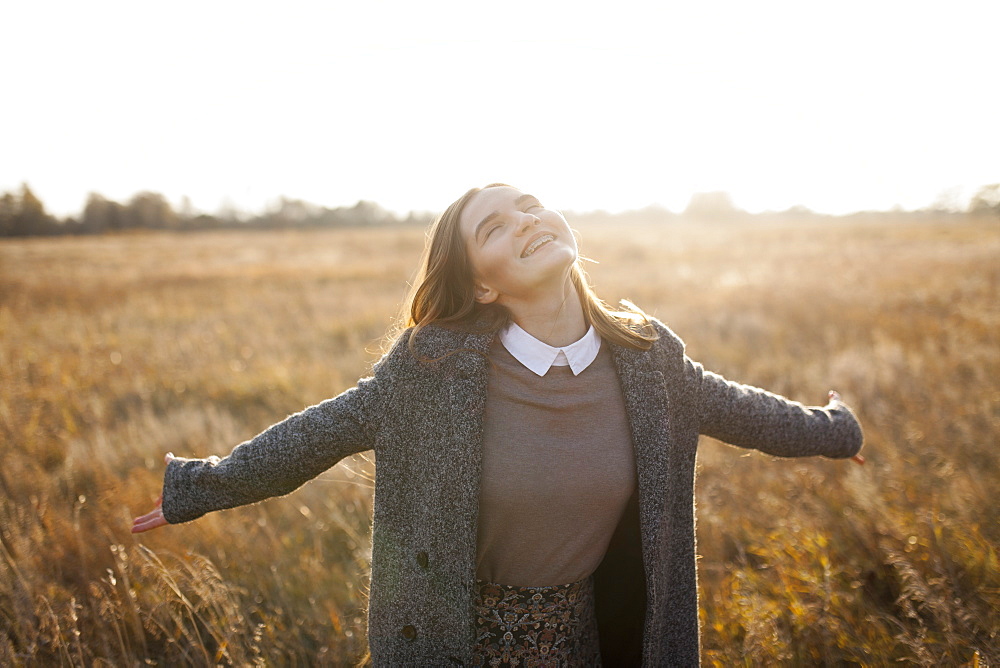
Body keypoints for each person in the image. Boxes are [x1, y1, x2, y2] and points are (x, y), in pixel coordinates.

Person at [132, 183, 864, 666]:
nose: (528, 221)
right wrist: (200, 487)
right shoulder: (431, 371)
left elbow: (745, 410)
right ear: (481, 280)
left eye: (532, 205)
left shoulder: (649, 360)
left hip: (593, 637)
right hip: (458, 641)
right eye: (496, 226)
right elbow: (318, 434)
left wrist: (838, 430)